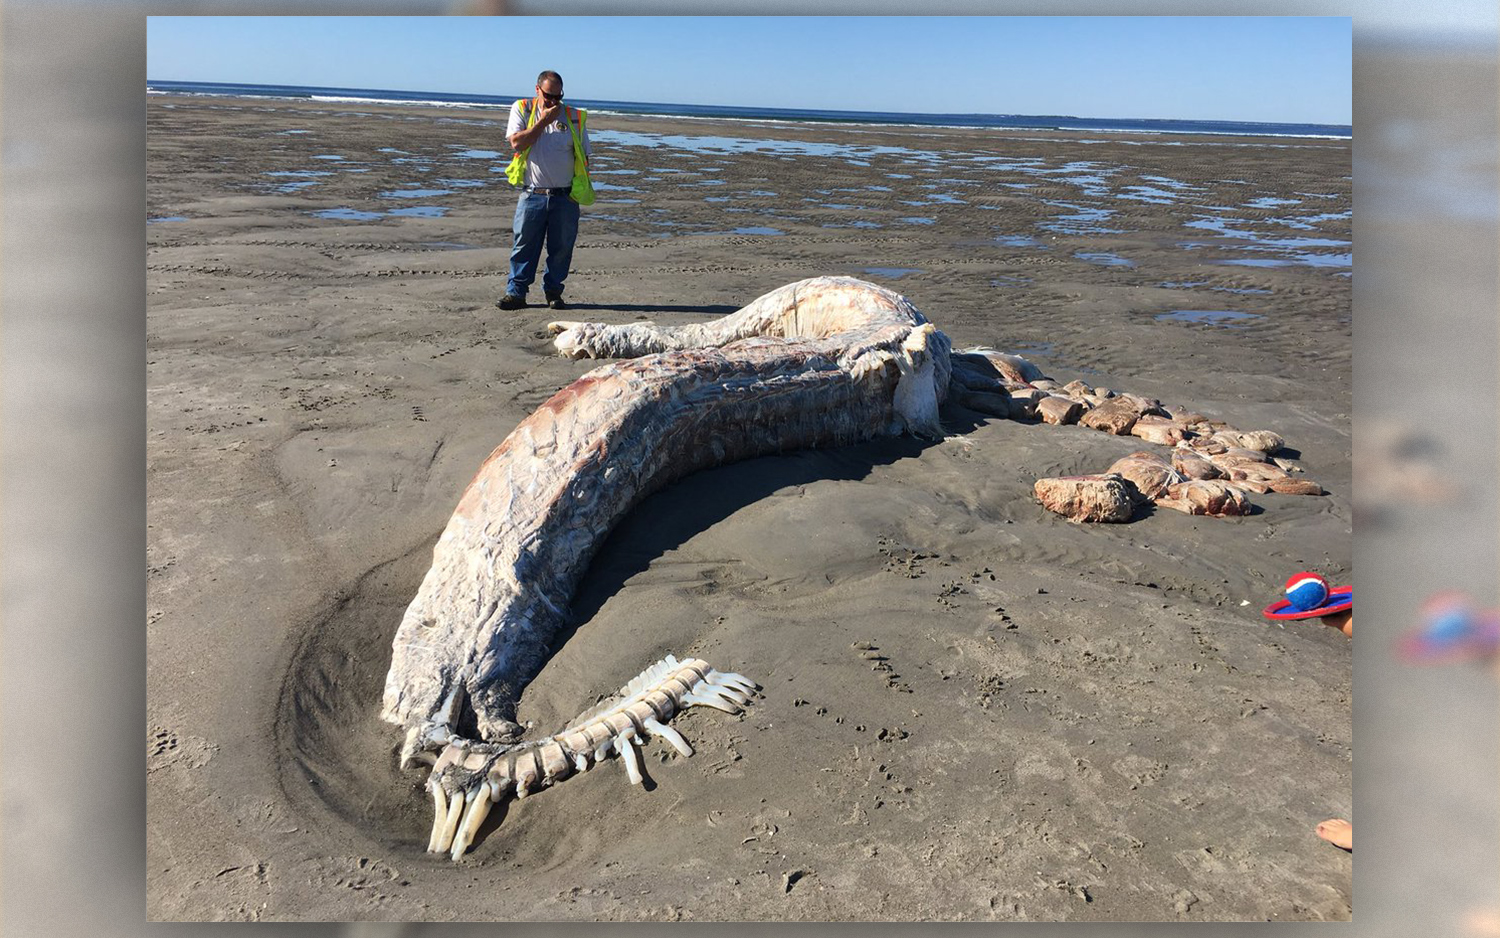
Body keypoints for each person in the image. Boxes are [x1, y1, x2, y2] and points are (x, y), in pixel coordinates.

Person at [496, 70, 591, 312]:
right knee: (524, 245)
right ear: (537, 89)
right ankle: (516, 292)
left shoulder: (574, 117)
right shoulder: (523, 108)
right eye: (548, 96)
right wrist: (544, 121)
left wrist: (578, 188)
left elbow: (584, 154)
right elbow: (517, 143)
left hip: (565, 196)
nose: (553, 102)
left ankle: (553, 291)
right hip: (532, 194)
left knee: (561, 248)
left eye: (558, 97)